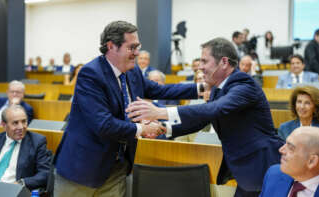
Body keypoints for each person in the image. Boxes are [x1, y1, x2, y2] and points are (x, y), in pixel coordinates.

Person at [53, 20, 200, 197]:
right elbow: (104, 125)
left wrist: (201, 89)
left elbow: (159, 90)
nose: (137, 53)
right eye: (132, 47)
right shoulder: (90, 74)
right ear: (111, 46)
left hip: (116, 168)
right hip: (81, 170)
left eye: (138, 47)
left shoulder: (132, 71)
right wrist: (142, 129)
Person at [127, 37, 284, 197]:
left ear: (223, 62)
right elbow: (201, 119)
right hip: (244, 169)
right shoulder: (218, 89)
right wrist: (164, 128)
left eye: (204, 61)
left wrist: (162, 112)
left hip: (263, 166)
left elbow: (215, 109)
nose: (200, 67)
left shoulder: (244, 85)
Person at [0, 105, 50, 190]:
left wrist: (22, 183)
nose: (21, 127)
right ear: (4, 125)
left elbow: (45, 174)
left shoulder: (37, 142)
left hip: (12, 190)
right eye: (15, 123)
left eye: (24, 121)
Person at [260, 126, 319, 197]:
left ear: (311, 161)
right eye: (285, 143)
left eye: (291, 148)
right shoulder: (273, 175)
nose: (281, 150)